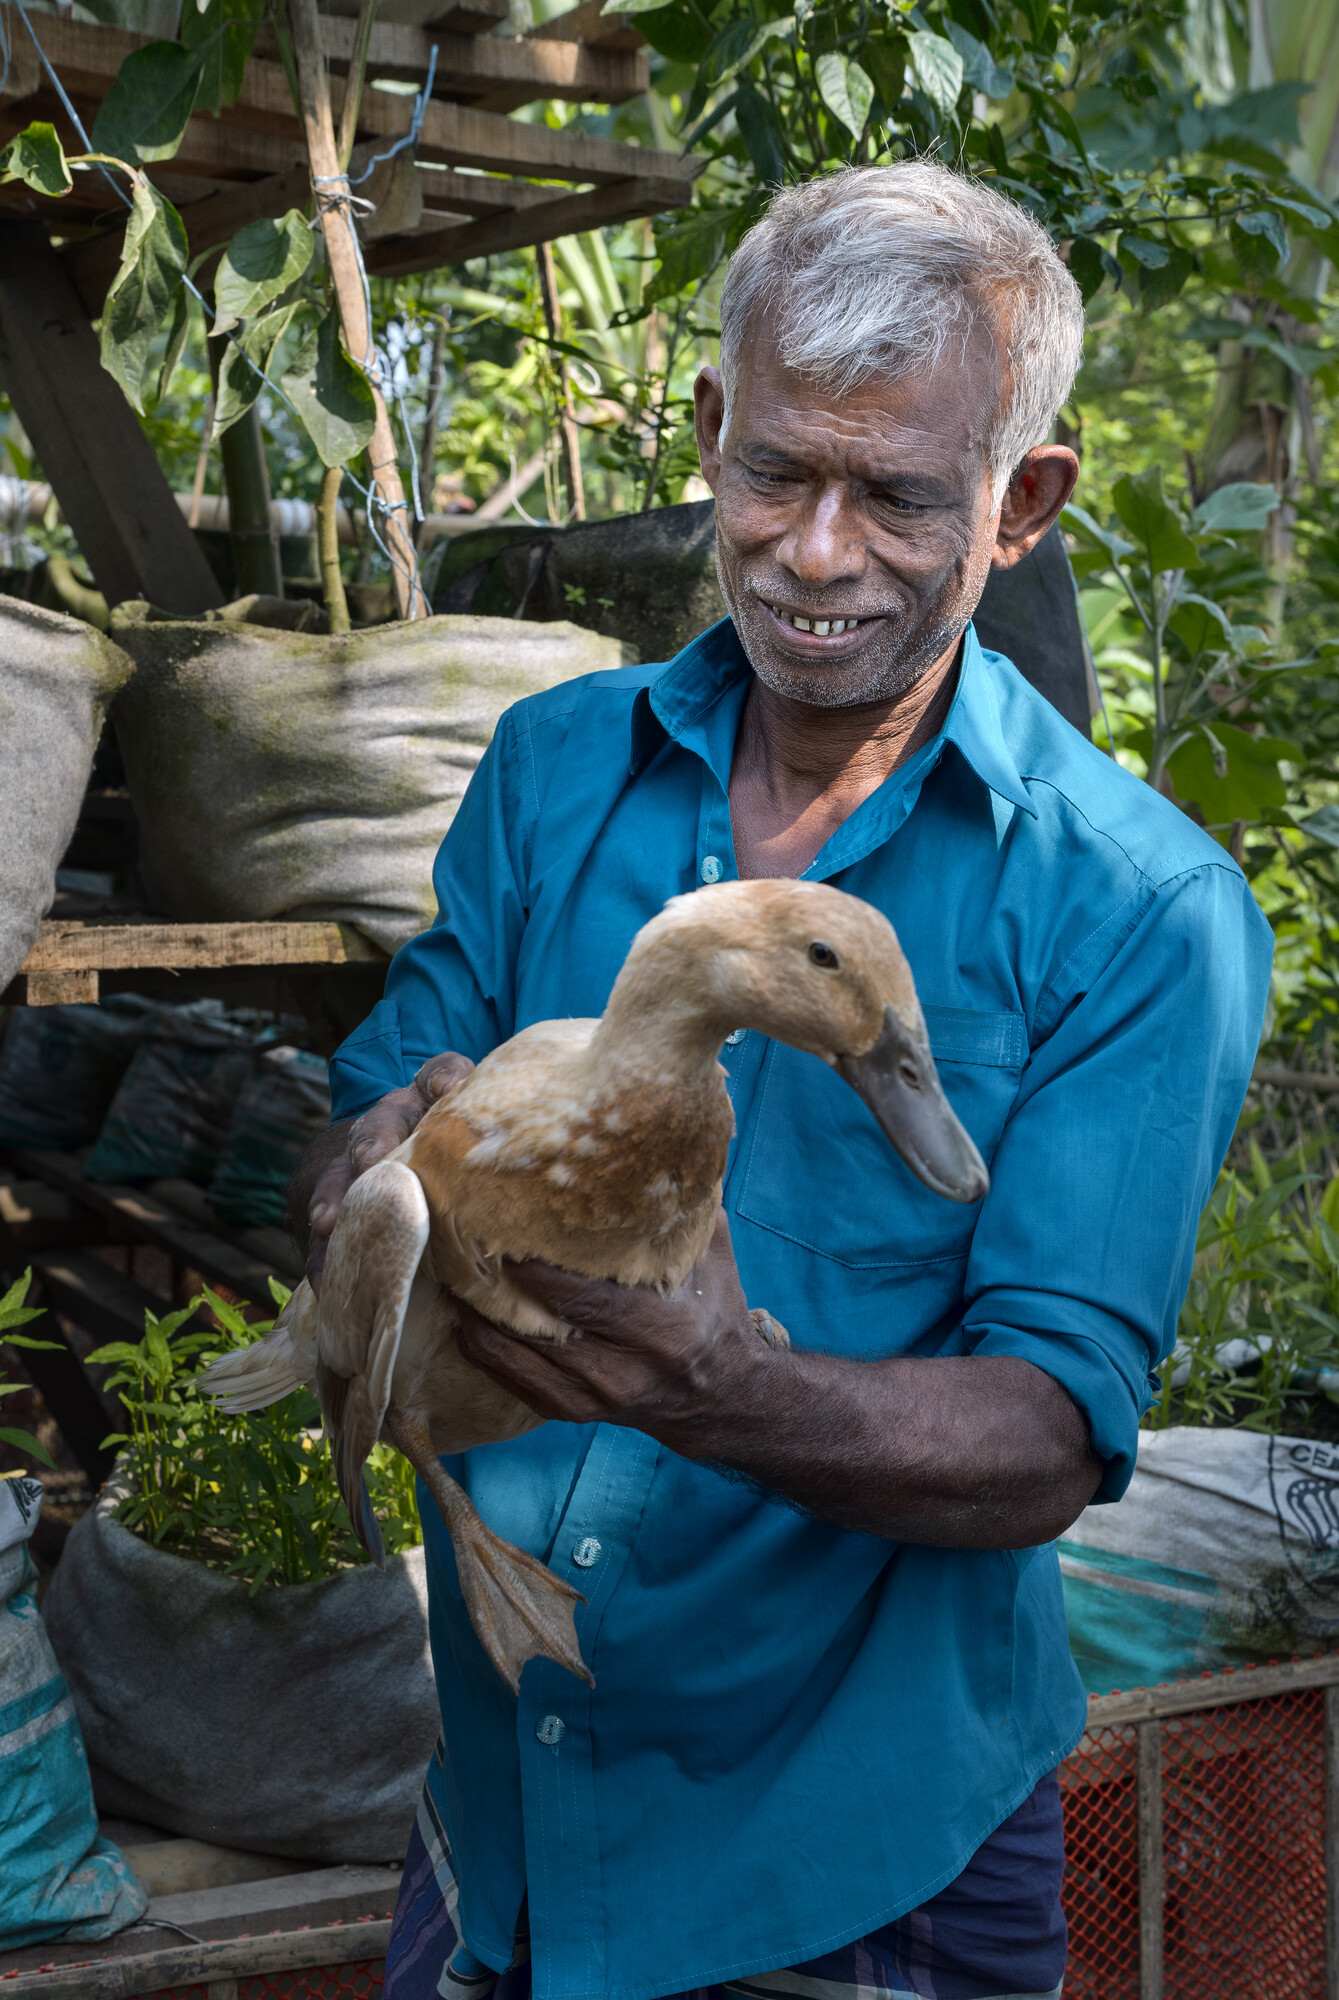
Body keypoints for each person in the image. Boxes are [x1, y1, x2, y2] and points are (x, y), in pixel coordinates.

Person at [292, 162, 1272, 2000]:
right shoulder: (551, 771)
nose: (815, 554)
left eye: (896, 495)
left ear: (1020, 505)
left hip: (851, 1861)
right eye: (774, 475)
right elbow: (357, 1120)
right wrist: (371, 1171)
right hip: (501, 1822)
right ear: (710, 433)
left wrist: (729, 1391)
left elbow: (1050, 1437)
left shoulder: (1136, 907)